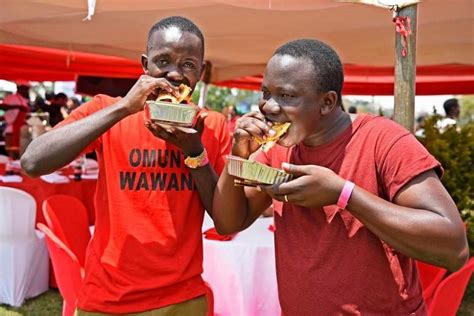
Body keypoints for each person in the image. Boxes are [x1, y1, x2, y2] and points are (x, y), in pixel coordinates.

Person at [212, 39, 469, 315]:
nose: (269, 107)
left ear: (327, 102)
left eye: (286, 96)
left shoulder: (384, 140)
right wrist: (237, 157)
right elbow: (229, 223)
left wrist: (344, 194)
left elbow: (454, 248)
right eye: (266, 93)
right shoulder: (278, 148)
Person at [22, 16, 231, 315]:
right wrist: (123, 108)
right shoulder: (108, 110)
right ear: (145, 65)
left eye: (187, 64)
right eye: (163, 61)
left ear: (201, 70)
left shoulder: (212, 125)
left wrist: (194, 151)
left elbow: (223, 220)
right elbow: (32, 161)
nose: (174, 74)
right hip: (108, 296)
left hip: (182, 297)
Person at [1, 81, 31, 159]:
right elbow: (3, 106)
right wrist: (17, 107)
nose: (26, 91)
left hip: (21, 128)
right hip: (11, 129)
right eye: (25, 89)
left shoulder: (23, 99)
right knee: (12, 151)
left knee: (21, 151)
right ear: (19, 88)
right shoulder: (12, 97)